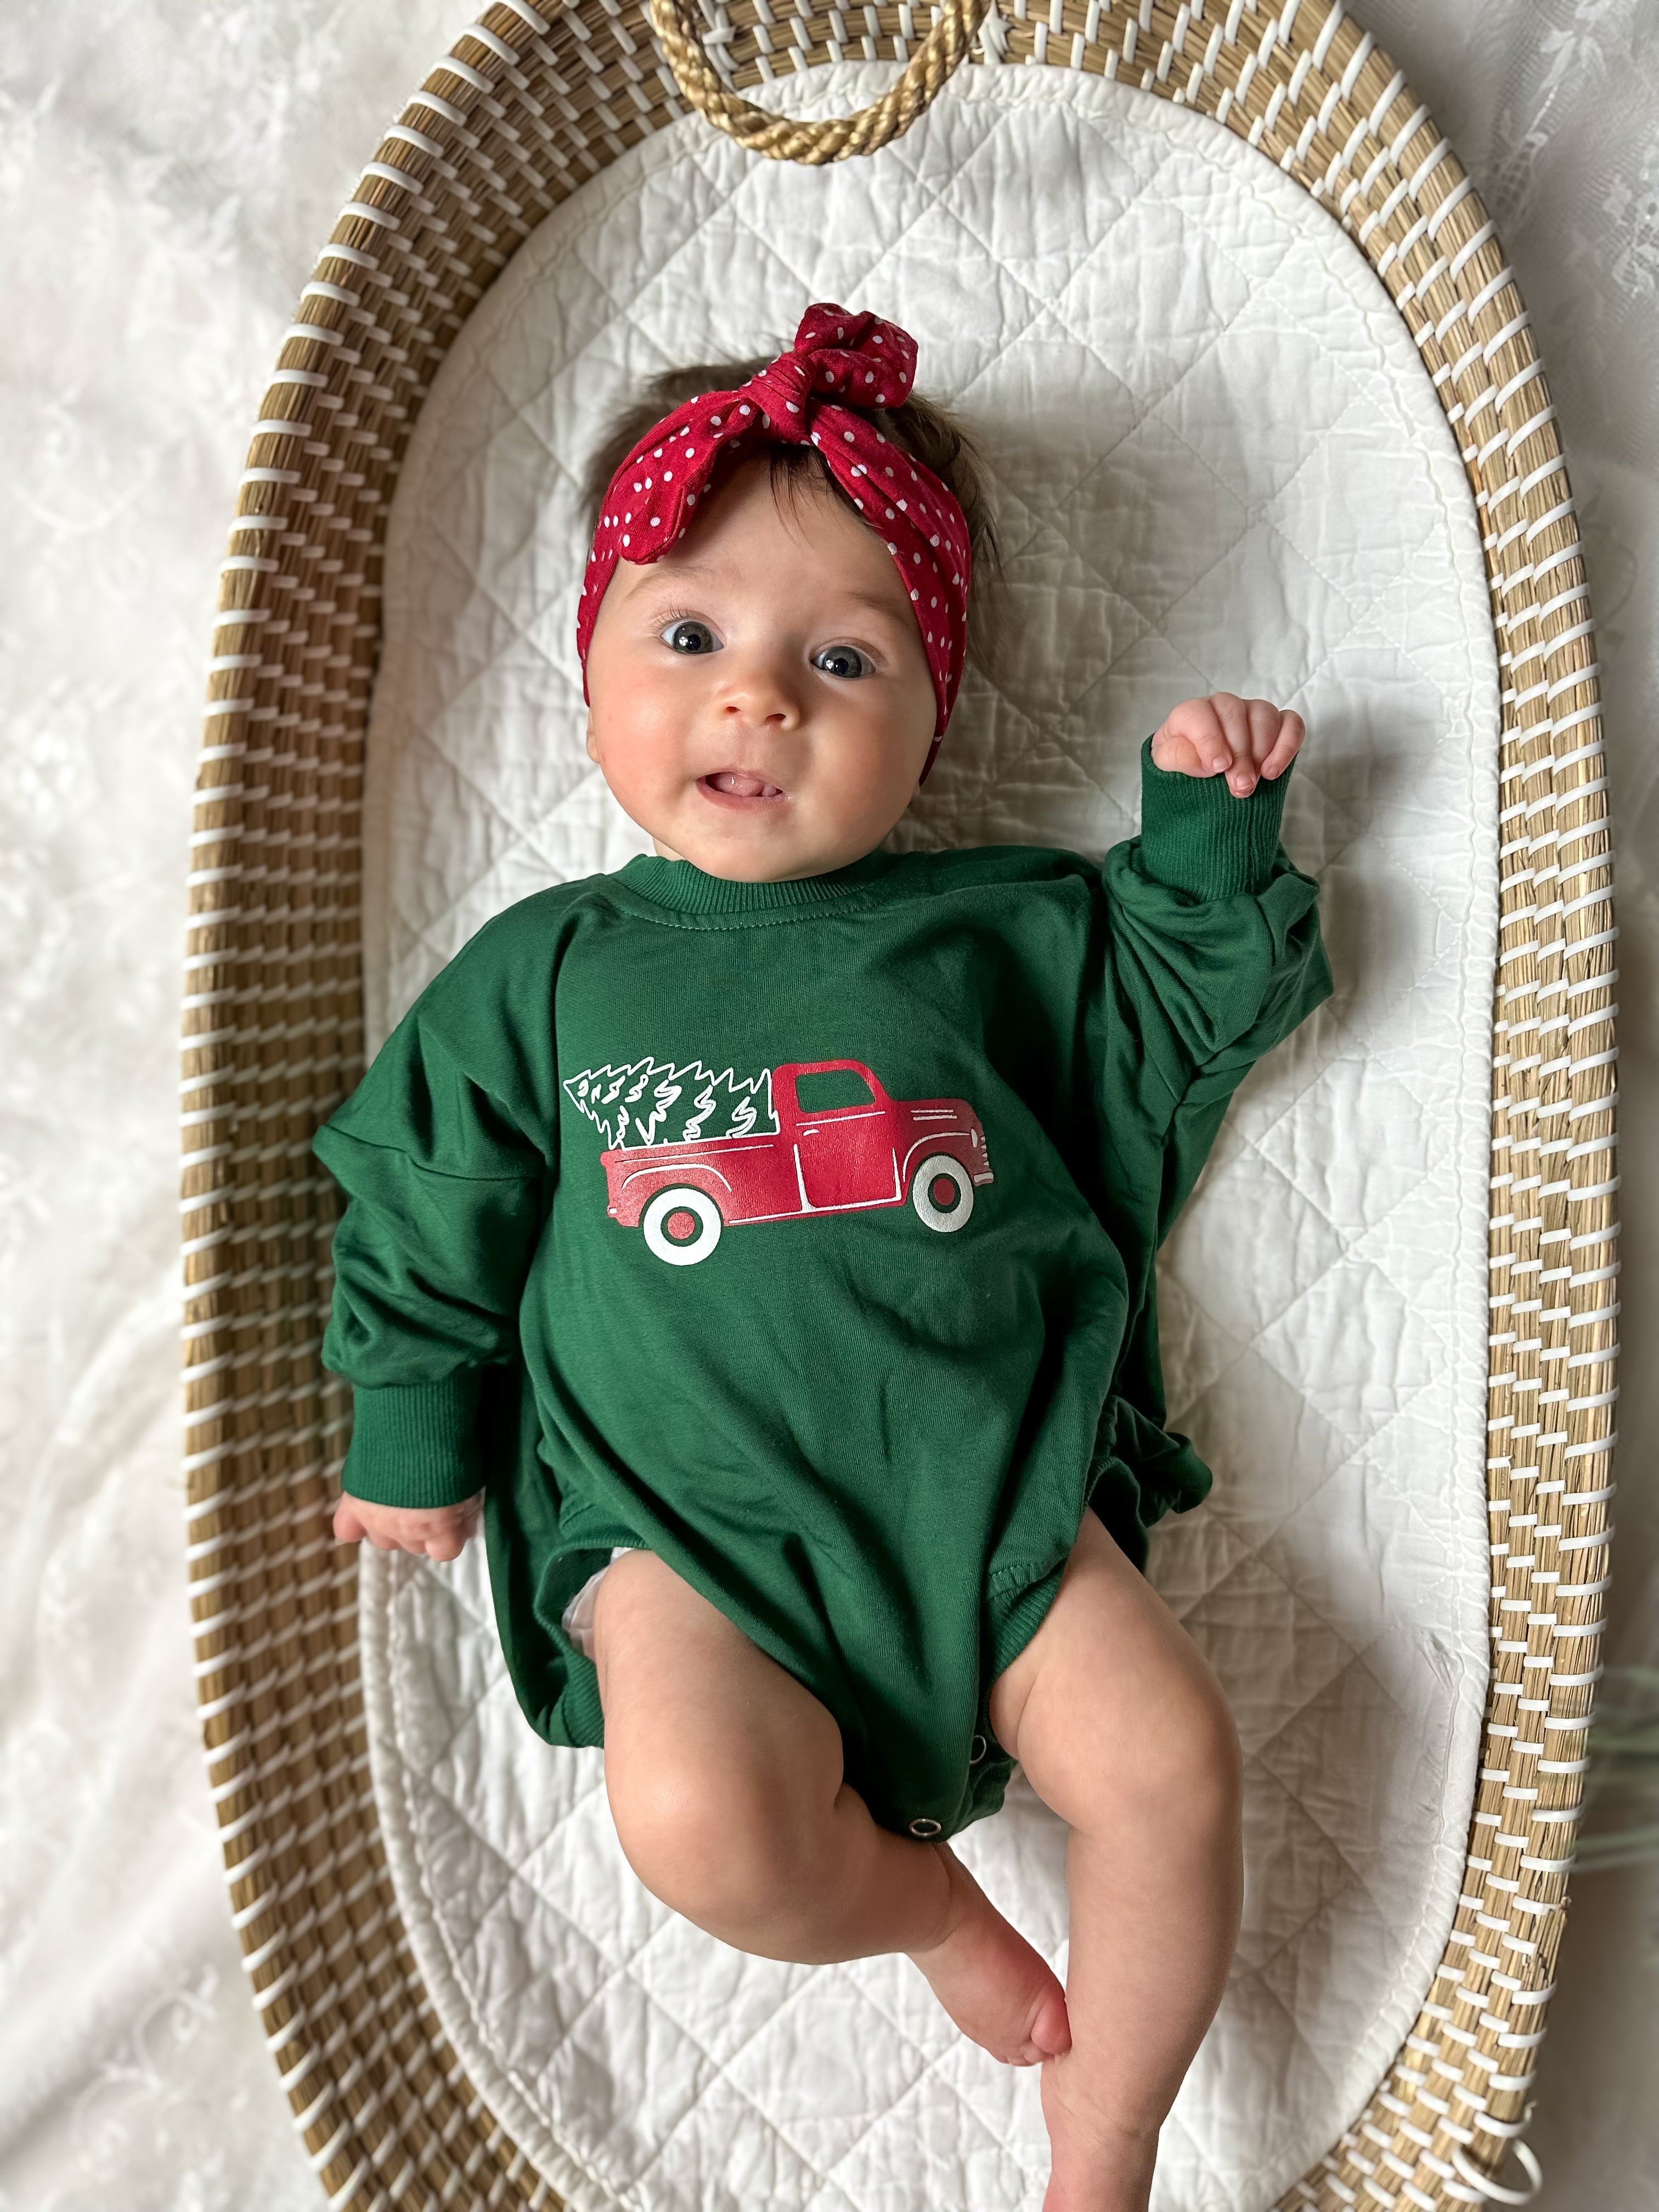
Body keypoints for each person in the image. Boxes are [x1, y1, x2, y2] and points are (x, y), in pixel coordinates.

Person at [315, 303, 1331, 2211]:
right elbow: (427, 1189)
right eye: (688, 638)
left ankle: (1106, 2138)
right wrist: (412, 1421)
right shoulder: (550, 969)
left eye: (842, 659)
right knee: (695, 1821)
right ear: (590, 676)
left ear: (933, 719)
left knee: (1174, 1762)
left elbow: (1176, 1018)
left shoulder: (991, 932)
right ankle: (931, 1912)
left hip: (992, 1509)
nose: (759, 699)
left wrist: (1205, 848)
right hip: (685, 1545)